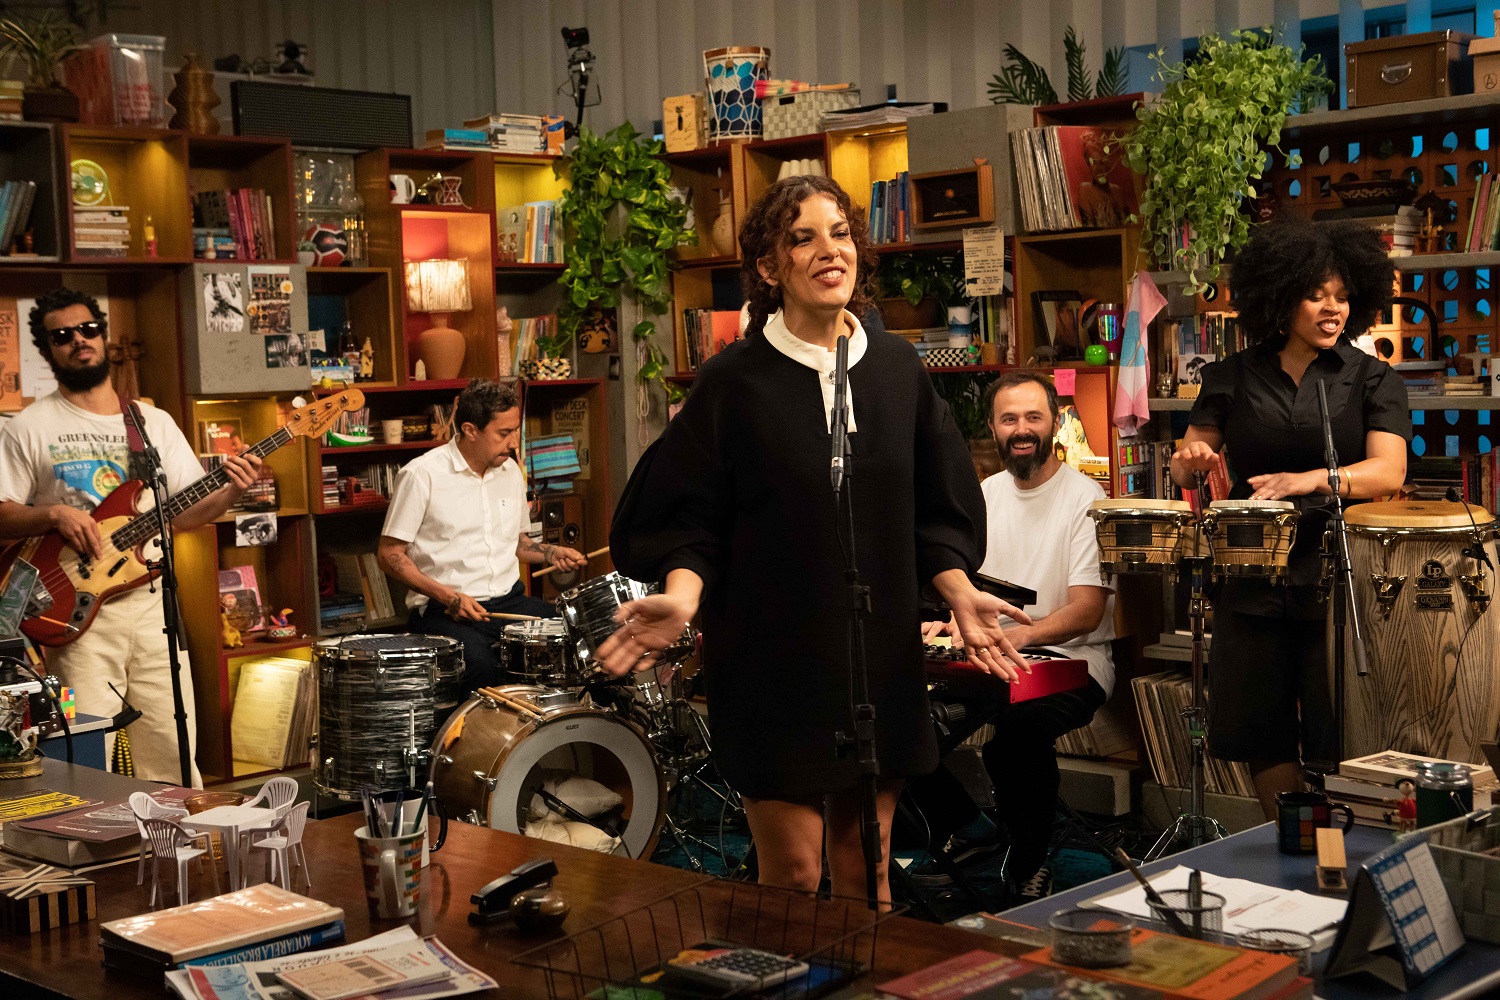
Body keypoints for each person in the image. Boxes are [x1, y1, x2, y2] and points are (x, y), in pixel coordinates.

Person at [597, 175, 1031, 905]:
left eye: (839, 232)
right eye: (802, 237)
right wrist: (680, 597)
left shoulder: (896, 369)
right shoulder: (734, 382)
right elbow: (688, 516)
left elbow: (934, 507)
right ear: (770, 268)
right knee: (794, 879)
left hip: (878, 658)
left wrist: (957, 591)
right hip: (774, 661)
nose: (829, 250)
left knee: (869, 867)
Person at [1170, 218, 1410, 820]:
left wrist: (1308, 481)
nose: (1333, 309)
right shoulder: (1232, 375)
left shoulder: (1372, 377)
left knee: (1336, 725)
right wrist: (1191, 459)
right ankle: (1293, 846)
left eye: (1343, 296)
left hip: (1339, 578)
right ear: (1280, 298)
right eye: (1316, 295)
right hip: (1252, 573)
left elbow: (1388, 472)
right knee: (1260, 725)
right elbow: (1184, 469)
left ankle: (1338, 850)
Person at [0, 287, 262, 785]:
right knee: (83, 753)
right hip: (75, 612)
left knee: (172, 746)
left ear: (103, 336)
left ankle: (177, 848)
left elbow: (185, 513)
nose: (79, 340)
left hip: (151, 606)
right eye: (63, 335)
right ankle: (90, 854)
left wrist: (231, 490)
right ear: (48, 349)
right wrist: (53, 513)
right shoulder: (27, 427)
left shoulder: (151, 421)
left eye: (88, 329)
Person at [917, 371, 1115, 900]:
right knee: (901, 730)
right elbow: (968, 590)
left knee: (1017, 737)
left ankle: (1030, 863)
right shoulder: (983, 494)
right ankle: (973, 829)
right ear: (993, 427)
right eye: (1010, 419)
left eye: (1033, 417)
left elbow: (1086, 613)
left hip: (1075, 660)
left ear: (1054, 422)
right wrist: (955, 622)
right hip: (989, 656)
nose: (1021, 429)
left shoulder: (1085, 498)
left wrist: (1012, 638)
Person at [377, 379, 586, 693]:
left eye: (516, 430)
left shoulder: (511, 471)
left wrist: (550, 553)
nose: (514, 442)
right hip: (444, 610)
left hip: (509, 602)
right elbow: (389, 555)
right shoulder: (422, 475)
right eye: (504, 433)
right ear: (470, 430)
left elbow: (518, 543)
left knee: (581, 633)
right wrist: (448, 596)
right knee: (480, 666)